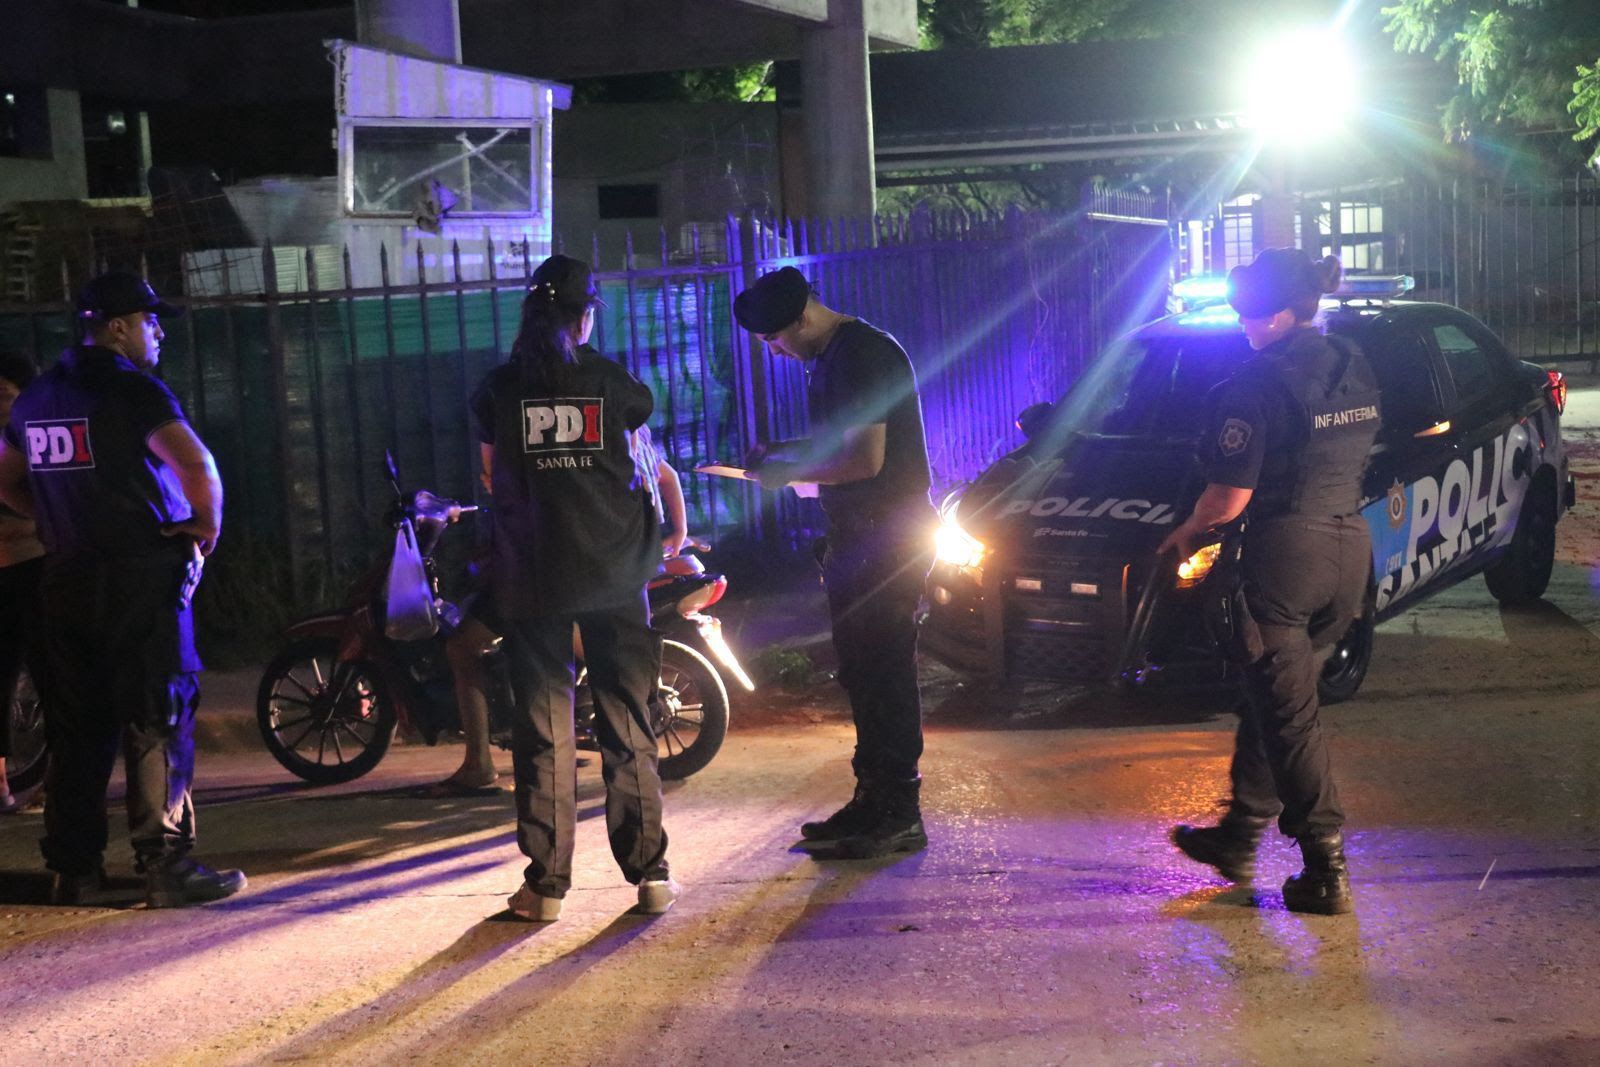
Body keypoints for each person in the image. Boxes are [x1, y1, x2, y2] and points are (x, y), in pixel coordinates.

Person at [0, 271, 246, 908]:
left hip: (65, 579)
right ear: (117, 327)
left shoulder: (36, 398)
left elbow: (5, 480)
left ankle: (74, 871)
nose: (158, 331)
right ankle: (166, 866)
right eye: (149, 320)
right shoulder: (134, 391)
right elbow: (195, 463)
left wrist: (57, 518)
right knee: (158, 716)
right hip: (141, 578)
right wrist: (204, 528)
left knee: (77, 726)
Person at [1159, 248, 1380, 915]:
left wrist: (1186, 531)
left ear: (1280, 314)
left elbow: (1228, 497)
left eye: (1249, 313)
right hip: (1349, 549)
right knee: (1274, 692)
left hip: (1284, 558)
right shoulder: (1351, 362)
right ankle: (1239, 834)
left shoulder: (1254, 385)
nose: (1243, 324)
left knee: (1291, 718)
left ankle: (1325, 868)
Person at [470, 254, 677, 921]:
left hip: (534, 577)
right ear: (586, 317)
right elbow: (641, 458)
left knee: (543, 732)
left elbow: (491, 477)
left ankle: (547, 888)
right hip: (616, 572)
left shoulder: (498, 391)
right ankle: (652, 876)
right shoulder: (614, 384)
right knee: (628, 721)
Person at [733, 266, 938, 859]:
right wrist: (784, 453)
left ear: (801, 318)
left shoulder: (863, 355)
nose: (774, 352)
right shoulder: (831, 358)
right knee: (862, 671)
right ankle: (872, 800)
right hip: (858, 536)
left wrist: (789, 470)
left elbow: (866, 460)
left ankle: (899, 811)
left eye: (774, 339)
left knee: (884, 669)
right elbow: (844, 445)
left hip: (889, 537)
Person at [422, 428, 687, 798]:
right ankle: (629, 758)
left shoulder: (537, 436)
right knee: (609, 663)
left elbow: (502, 484)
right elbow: (667, 476)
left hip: (545, 569)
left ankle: (482, 764)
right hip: (616, 567)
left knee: (465, 646)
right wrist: (679, 530)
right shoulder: (629, 434)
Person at [0, 351, 46, 815]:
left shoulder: (35, 440)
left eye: (4, 394)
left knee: (54, 674)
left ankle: (58, 780)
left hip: (34, 570)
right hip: (11, 570)